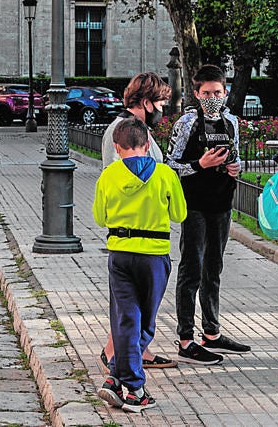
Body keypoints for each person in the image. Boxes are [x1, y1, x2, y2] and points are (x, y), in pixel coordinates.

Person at [94, 117, 187, 413]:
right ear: (148, 145)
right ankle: (135, 390)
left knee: (124, 319)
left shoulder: (108, 175)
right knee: (144, 322)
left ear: (117, 147)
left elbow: (99, 218)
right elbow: (180, 214)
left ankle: (113, 376)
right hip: (154, 256)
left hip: (119, 255)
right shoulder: (164, 174)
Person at [166, 64, 248, 365]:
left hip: (222, 202)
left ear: (225, 92)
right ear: (196, 93)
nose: (213, 97)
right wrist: (199, 164)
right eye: (206, 93)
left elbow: (236, 155)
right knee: (192, 268)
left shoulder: (231, 121)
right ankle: (185, 337)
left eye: (218, 92)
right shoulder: (187, 123)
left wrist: (235, 168)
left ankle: (211, 331)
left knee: (214, 267)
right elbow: (170, 163)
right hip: (195, 204)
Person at [98, 72, 178, 371]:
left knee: (137, 302)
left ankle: (133, 352)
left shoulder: (136, 128)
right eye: (160, 103)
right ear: (145, 102)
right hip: (136, 229)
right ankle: (117, 356)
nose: (163, 110)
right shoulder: (124, 131)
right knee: (133, 304)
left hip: (143, 230)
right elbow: (130, 177)